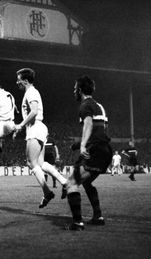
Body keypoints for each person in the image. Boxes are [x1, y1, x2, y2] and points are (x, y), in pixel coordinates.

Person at [62, 75, 112, 231]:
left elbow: (89, 123)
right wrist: (78, 144)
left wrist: (83, 145)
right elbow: (101, 129)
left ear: (81, 90)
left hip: (94, 151)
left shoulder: (84, 105)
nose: (74, 91)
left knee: (71, 183)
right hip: (105, 150)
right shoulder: (99, 106)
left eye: (75, 88)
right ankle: (98, 217)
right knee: (87, 182)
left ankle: (77, 223)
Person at [14, 68, 67, 208]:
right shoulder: (30, 92)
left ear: (25, 81)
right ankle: (64, 182)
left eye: (18, 79)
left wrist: (20, 125)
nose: (17, 82)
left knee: (31, 163)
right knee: (41, 163)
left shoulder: (31, 92)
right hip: (38, 128)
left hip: (35, 128)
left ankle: (47, 192)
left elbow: (34, 111)